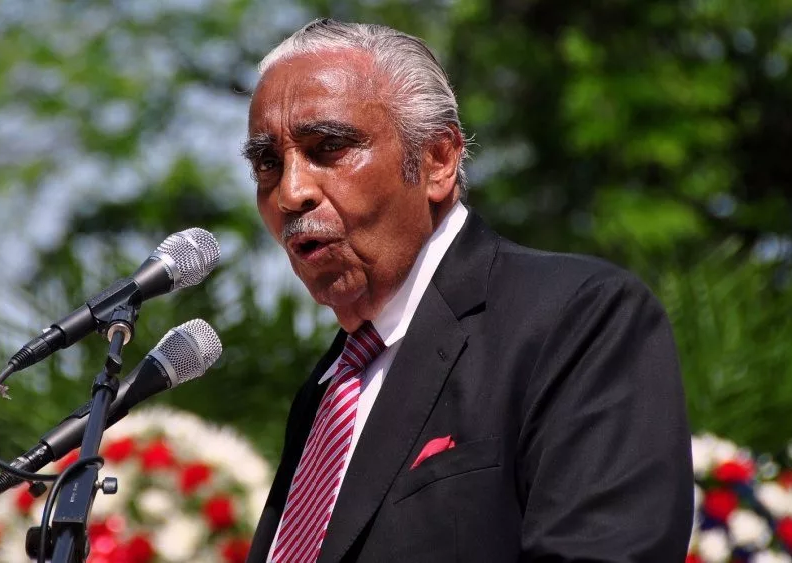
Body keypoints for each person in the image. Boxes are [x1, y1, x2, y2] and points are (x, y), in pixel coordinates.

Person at [241, 18, 693, 563]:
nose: (291, 192)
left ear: (437, 160)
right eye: (268, 163)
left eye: (329, 147)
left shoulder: (578, 318)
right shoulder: (329, 389)